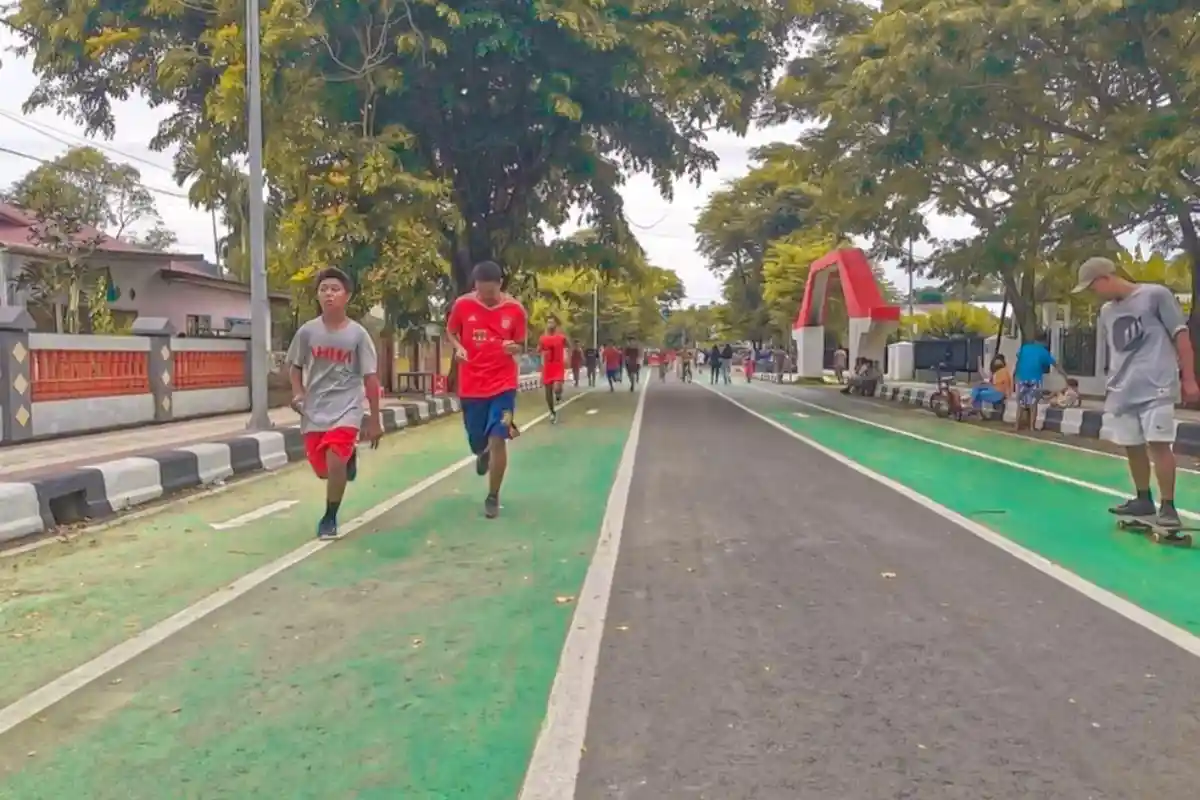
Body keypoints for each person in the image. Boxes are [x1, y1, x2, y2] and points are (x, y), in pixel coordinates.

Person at [1073, 256, 1200, 529]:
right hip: (1123, 389)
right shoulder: (1107, 311)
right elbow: (1116, 349)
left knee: (1158, 443)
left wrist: (1189, 378)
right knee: (1132, 445)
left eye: (1093, 286)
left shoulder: (1155, 295)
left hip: (1157, 384)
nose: (1094, 293)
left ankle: (1168, 506)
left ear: (1105, 277)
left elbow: (1181, 337)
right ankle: (1143, 499)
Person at [287, 267, 383, 540]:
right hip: (314, 409)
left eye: (335, 289)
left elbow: (371, 378)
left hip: (347, 407)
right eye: (324, 289)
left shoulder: (358, 335)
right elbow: (295, 367)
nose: (329, 294)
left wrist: (375, 419)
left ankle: (329, 517)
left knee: (335, 461)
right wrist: (298, 393)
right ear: (318, 295)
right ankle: (347, 458)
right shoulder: (307, 332)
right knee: (323, 471)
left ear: (347, 296)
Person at [446, 260, 528, 519]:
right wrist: (459, 348)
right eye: (481, 292)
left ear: (500, 284)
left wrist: (515, 348)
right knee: (477, 440)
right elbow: (451, 332)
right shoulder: (463, 305)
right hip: (471, 385)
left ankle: (493, 495)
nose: (486, 298)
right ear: (475, 286)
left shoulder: (515, 310)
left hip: (503, 385)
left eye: (491, 292)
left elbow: (521, 343)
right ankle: (481, 453)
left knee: (498, 438)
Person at [1013, 334, 1068, 431]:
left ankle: (1016, 426)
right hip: (1035, 379)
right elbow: (1055, 364)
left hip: (1022, 377)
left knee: (1021, 403)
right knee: (1033, 403)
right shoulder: (1043, 351)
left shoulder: (1024, 348)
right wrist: (1064, 375)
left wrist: (1015, 374)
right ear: (1043, 342)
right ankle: (1031, 427)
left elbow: (1018, 361)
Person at [538, 315, 569, 423]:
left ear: (555, 324)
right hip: (547, 367)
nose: (550, 324)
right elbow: (539, 351)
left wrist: (566, 355)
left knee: (556, 387)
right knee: (548, 393)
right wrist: (542, 354)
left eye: (552, 322)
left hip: (558, 366)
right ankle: (552, 412)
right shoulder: (542, 338)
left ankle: (558, 393)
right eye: (548, 322)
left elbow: (568, 346)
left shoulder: (561, 337)